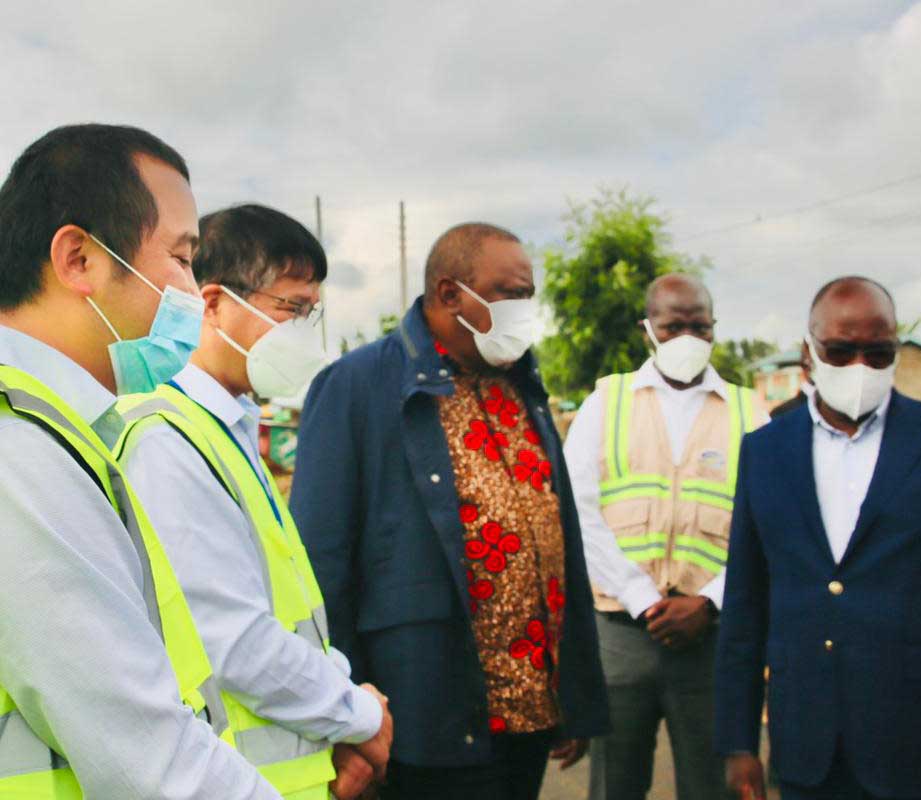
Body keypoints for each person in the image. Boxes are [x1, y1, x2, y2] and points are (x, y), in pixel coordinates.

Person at [0, 124, 279, 797]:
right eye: (182, 259)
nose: (192, 289)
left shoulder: (60, 431)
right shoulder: (21, 452)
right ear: (79, 260)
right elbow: (148, 760)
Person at [291, 222, 609, 800]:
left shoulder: (523, 386)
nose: (524, 310)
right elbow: (320, 565)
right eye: (509, 294)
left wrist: (574, 696)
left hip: (531, 710)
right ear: (448, 294)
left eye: (528, 295)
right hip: (425, 718)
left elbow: (562, 542)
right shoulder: (359, 386)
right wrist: (344, 712)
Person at [715, 276, 921, 800]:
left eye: (878, 352)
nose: (860, 368)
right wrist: (737, 742)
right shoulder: (765, 452)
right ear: (809, 354)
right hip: (811, 755)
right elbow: (745, 608)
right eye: (841, 352)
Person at [107, 204, 394, 799]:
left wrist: (343, 706)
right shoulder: (165, 438)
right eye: (290, 309)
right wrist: (360, 714)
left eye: (311, 314)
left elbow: (289, 620)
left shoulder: (229, 429)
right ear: (212, 304)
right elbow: (232, 640)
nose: (302, 333)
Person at [564, 273, 765, 800]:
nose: (688, 339)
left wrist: (711, 602)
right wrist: (642, 598)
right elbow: (578, 511)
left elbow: (765, 526)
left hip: (710, 635)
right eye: (673, 326)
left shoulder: (750, 412)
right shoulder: (606, 404)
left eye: (699, 326)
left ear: (715, 329)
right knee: (615, 784)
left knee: (711, 784)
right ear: (647, 329)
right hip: (622, 631)